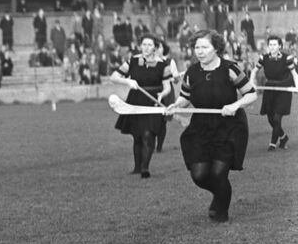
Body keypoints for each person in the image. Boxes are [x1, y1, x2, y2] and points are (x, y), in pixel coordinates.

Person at [166, 30, 258, 223]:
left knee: (218, 173)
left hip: (229, 127)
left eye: (204, 47)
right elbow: (185, 97)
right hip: (201, 127)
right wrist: (175, 105)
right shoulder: (192, 72)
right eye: (197, 47)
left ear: (216, 48)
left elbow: (251, 93)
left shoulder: (230, 69)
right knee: (199, 175)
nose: (199, 51)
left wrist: (235, 105)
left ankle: (222, 211)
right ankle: (220, 195)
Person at [110, 34, 175, 178]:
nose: (146, 47)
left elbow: (167, 87)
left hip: (153, 101)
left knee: (148, 134)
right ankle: (137, 168)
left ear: (155, 47)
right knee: (137, 136)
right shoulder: (132, 61)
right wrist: (127, 82)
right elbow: (114, 76)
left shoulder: (163, 64)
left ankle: (145, 168)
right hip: (136, 99)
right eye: (144, 44)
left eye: (150, 45)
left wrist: (162, 95)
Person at [255, 34, 298, 150]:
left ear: (280, 46)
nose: (272, 47)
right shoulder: (263, 58)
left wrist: (297, 86)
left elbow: (294, 74)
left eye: (275, 45)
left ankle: (272, 144)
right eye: (270, 45)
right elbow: (254, 71)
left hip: (284, 89)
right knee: (270, 118)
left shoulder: (287, 58)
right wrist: (251, 84)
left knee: (277, 118)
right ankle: (283, 137)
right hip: (270, 88)